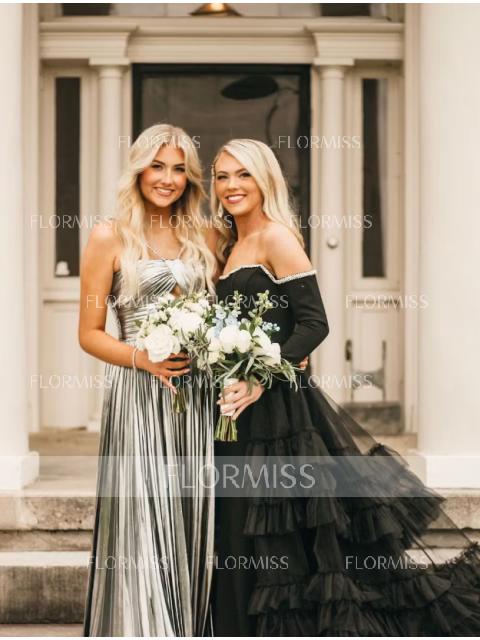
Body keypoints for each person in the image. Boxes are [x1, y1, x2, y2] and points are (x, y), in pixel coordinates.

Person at [211, 138, 480, 636]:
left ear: (265, 179)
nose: (232, 185)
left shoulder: (277, 238)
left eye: (243, 174)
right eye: (223, 176)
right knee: (240, 527)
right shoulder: (228, 245)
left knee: (288, 537)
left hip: (281, 412)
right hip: (235, 411)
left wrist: (259, 376)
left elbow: (314, 324)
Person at [79, 123, 218, 636]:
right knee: (142, 513)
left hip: (198, 397)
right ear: (138, 170)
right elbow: (89, 334)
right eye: (157, 166)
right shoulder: (109, 236)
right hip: (139, 395)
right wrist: (144, 359)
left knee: (192, 512)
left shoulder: (207, 235)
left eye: (179, 169)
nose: (168, 178)